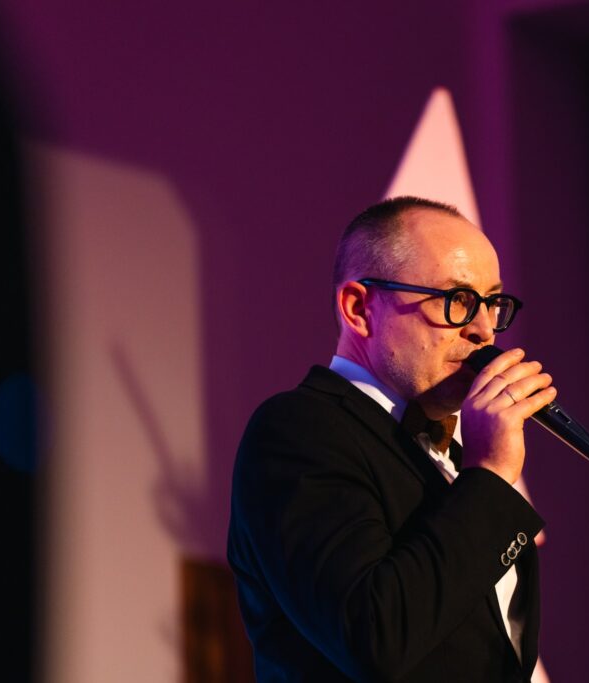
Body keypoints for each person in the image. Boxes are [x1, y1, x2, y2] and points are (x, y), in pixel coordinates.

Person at [227, 196, 556, 682]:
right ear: (359, 308)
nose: (485, 330)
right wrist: (488, 477)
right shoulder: (299, 429)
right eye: (458, 300)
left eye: (492, 303)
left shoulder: (455, 461)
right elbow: (373, 636)